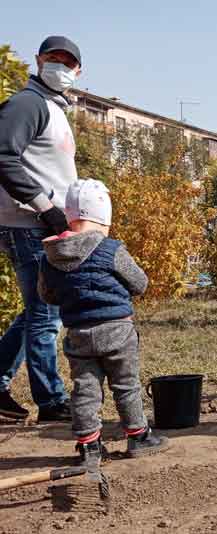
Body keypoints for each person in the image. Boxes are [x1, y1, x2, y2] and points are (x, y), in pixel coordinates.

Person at [38, 179, 169, 466]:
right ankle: (138, 436)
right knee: (126, 385)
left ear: (70, 216)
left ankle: (89, 447)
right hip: (117, 331)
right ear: (103, 218)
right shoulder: (111, 250)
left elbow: (47, 295)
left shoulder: (51, 257)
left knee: (85, 389)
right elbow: (140, 283)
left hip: (78, 333)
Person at [0, 36, 83, 422]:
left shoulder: (53, 107)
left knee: (37, 310)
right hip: (29, 225)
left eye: (67, 62)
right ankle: (50, 401)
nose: (60, 67)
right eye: (53, 59)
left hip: (41, 224)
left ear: (77, 71)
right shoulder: (27, 103)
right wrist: (45, 207)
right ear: (38, 60)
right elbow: (3, 157)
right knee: (46, 314)